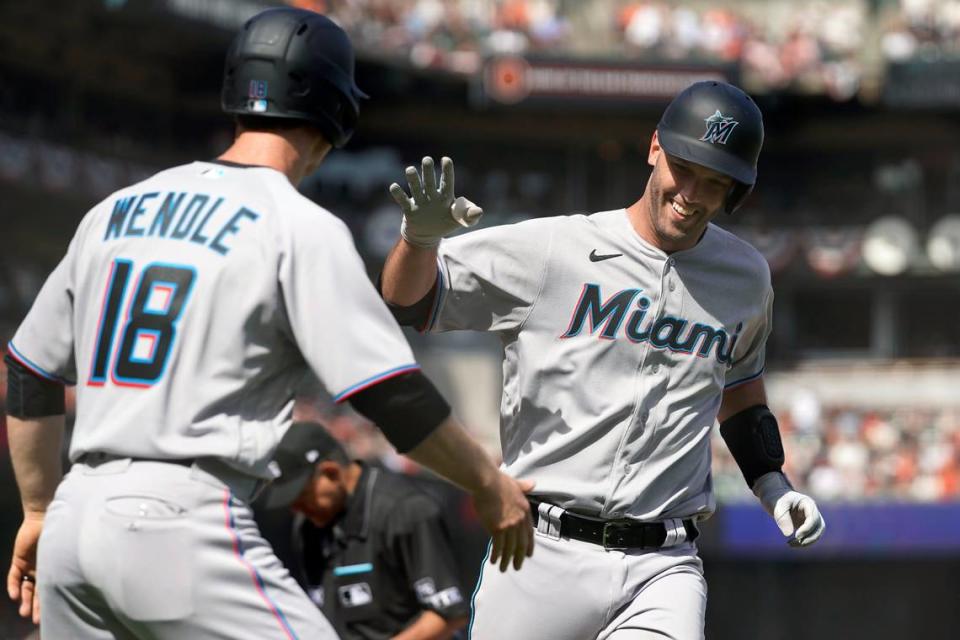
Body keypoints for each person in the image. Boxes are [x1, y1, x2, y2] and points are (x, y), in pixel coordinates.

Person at [4, 8, 532, 639]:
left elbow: (29, 372)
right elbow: (390, 394)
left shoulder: (113, 212)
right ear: (337, 113)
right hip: (180, 521)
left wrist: (37, 507)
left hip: (72, 521)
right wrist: (486, 481)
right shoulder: (296, 225)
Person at [380, 80, 826, 639]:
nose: (692, 193)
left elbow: (739, 390)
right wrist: (417, 243)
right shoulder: (552, 249)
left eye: (715, 183)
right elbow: (408, 301)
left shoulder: (745, 277)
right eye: (684, 168)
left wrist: (773, 486)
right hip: (540, 549)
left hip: (663, 566)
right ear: (655, 148)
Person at [256, 421, 469, 640]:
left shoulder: (405, 511)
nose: (296, 508)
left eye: (301, 495)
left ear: (331, 472)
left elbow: (449, 615)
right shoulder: (307, 526)